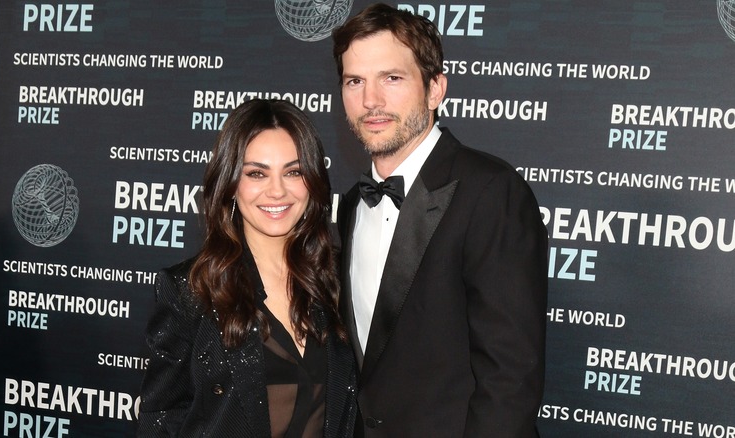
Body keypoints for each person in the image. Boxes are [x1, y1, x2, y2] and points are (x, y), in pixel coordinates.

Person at [332, 4, 548, 437]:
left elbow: (509, 381)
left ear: (435, 89)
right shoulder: (353, 204)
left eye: (392, 78)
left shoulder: (491, 192)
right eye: (355, 81)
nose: (370, 100)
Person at [137, 99, 357, 437]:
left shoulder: (339, 280)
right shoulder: (192, 290)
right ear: (230, 184)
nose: (277, 190)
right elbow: (161, 419)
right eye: (256, 173)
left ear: (312, 181)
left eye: (293, 172)